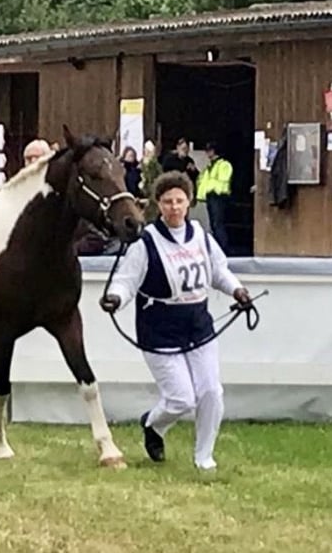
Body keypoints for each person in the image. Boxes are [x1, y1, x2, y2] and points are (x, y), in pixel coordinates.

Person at [99, 171, 251, 470]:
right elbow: (127, 280)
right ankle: (153, 424)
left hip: (197, 323)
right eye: (168, 201)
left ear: (189, 202)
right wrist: (115, 298)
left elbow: (218, 271)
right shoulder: (146, 242)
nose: (174, 207)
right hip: (159, 327)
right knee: (181, 398)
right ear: (158, 204)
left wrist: (237, 290)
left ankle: (204, 457)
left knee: (211, 391)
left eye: (179, 200)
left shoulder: (201, 236)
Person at [196, 142, 233, 254]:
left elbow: (222, 180)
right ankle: (218, 248)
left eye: (209, 150)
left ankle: (223, 248)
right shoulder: (210, 166)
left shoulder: (224, 165)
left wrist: (210, 188)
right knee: (213, 224)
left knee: (218, 223)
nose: (207, 153)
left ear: (214, 151)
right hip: (211, 196)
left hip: (219, 196)